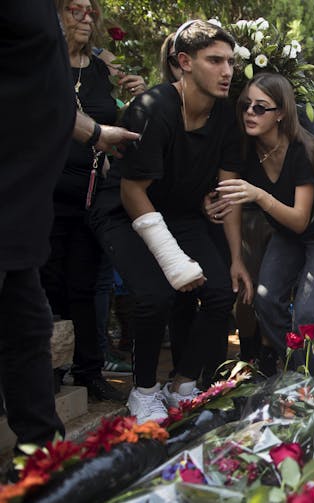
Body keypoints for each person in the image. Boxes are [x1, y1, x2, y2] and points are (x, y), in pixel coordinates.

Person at [90, 20, 251, 423]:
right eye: (215, 60)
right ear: (184, 62)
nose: (227, 70)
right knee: (155, 295)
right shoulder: (154, 108)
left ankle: (181, 385)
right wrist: (172, 260)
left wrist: (235, 258)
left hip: (180, 214)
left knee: (219, 292)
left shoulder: (226, 116)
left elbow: (228, 192)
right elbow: (131, 191)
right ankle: (143, 391)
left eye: (230, 61)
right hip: (125, 213)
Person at [0, 0, 138, 449]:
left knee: (29, 324)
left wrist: (99, 134)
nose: (85, 16)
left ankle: (41, 461)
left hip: (24, 205)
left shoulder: (92, 61)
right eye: (75, 8)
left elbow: (47, 97)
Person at [215, 73, 314, 377]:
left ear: (281, 113)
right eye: (246, 105)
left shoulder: (303, 150)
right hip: (286, 236)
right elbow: (229, 202)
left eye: (260, 108)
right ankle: (301, 371)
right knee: (266, 301)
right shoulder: (244, 148)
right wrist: (236, 259)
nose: (249, 113)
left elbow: (299, 220)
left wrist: (259, 195)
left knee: (309, 313)